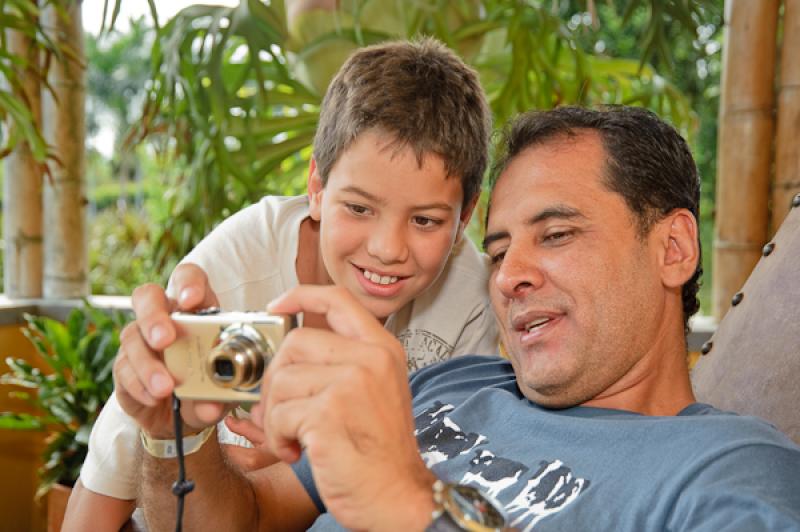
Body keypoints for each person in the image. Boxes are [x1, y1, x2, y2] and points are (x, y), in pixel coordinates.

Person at [114, 106, 800, 531]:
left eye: (556, 235)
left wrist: (414, 509)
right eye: (497, 251)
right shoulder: (450, 387)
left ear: (672, 248)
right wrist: (174, 436)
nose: (510, 275)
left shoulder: (730, 471)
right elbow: (243, 522)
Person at [62, 38, 498, 530]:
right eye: (358, 207)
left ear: (465, 219)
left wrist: (310, 458)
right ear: (316, 187)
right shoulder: (233, 269)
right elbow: (105, 485)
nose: (387, 248)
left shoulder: (474, 299)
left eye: (424, 221)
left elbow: (454, 479)